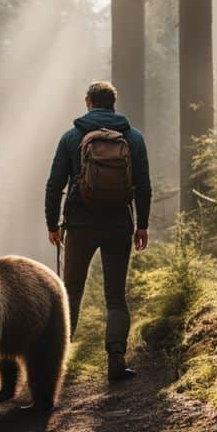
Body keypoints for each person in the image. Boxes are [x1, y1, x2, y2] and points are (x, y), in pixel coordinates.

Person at [44, 80, 152, 382]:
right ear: (113, 103)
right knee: (116, 297)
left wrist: (53, 225)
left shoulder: (71, 137)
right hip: (119, 224)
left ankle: (55, 362)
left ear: (88, 101)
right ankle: (116, 359)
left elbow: (55, 185)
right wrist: (142, 224)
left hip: (80, 225)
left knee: (71, 293)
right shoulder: (133, 138)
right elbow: (143, 186)